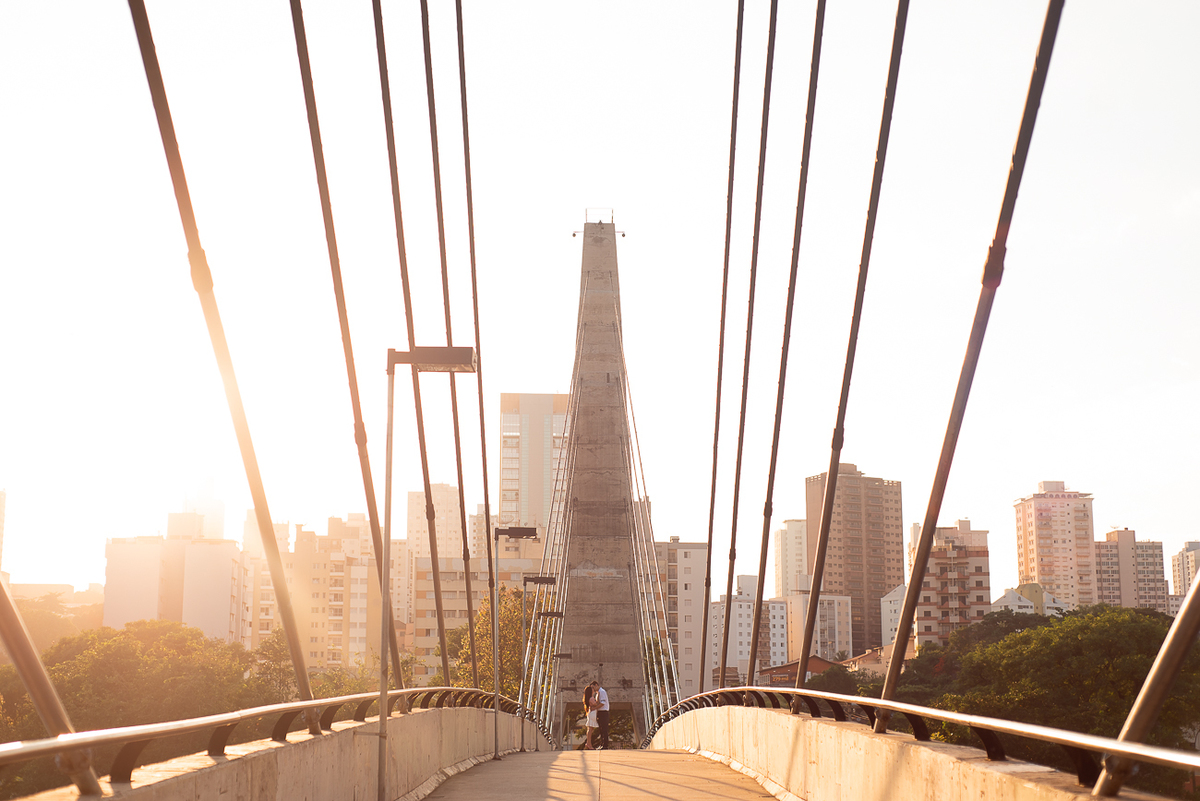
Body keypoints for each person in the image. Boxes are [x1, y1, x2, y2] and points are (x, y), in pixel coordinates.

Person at [592, 681, 610, 749]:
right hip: (600, 712)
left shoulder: (602, 691)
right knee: (601, 729)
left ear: (596, 685)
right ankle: (602, 743)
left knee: (604, 729)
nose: (593, 689)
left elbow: (602, 703)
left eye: (593, 687)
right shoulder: (597, 693)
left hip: (603, 712)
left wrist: (595, 708)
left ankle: (605, 744)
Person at [582, 684, 598, 749]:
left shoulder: (589, 698)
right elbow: (596, 704)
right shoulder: (591, 698)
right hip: (592, 713)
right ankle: (589, 743)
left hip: (591, 713)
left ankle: (589, 743)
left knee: (590, 729)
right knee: (590, 729)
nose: (593, 690)